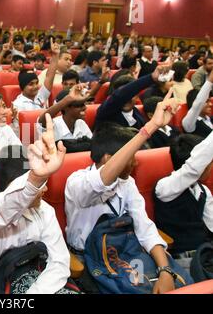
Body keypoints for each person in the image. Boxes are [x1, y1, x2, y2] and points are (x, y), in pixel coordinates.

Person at [65, 94, 183, 294]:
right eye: (131, 157)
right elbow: (101, 182)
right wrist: (150, 128)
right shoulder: (77, 182)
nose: (135, 163)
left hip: (127, 250)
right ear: (109, 158)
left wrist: (165, 270)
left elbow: (144, 227)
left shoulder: (127, 183)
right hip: (90, 259)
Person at [0, 114, 72, 294]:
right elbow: (4, 211)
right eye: (39, 185)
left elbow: (59, 262)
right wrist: (34, 180)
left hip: (39, 285)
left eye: (44, 183)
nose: (44, 190)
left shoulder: (44, 210)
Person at [154, 132, 213, 272]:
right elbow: (192, 169)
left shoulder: (203, 190)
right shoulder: (164, 187)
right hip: (183, 262)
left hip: (206, 254)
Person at [95, 66, 173, 130]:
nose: (128, 99)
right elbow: (121, 95)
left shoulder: (138, 115)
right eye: (126, 95)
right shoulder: (106, 111)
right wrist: (151, 78)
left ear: (137, 96)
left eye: (132, 95)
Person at [37, 84, 92, 152]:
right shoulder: (52, 124)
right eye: (79, 105)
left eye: (83, 104)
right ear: (65, 108)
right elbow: (42, 120)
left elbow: (92, 146)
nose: (84, 107)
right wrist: (69, 99)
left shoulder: (81, 123)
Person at [12, 38, 60, 112]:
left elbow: (49, 76)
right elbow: (22, 124)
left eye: (36, 83)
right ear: (23, 87)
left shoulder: (40, 96)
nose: (35, 87)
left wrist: (55, 55)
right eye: (31, 84)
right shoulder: (17, 105)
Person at [182, 71, 213, 137]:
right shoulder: (189, 123)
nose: (210, 104)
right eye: (206, 101)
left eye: (210, 101)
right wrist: (210, 81)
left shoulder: (210, 118)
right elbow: (198, 103)